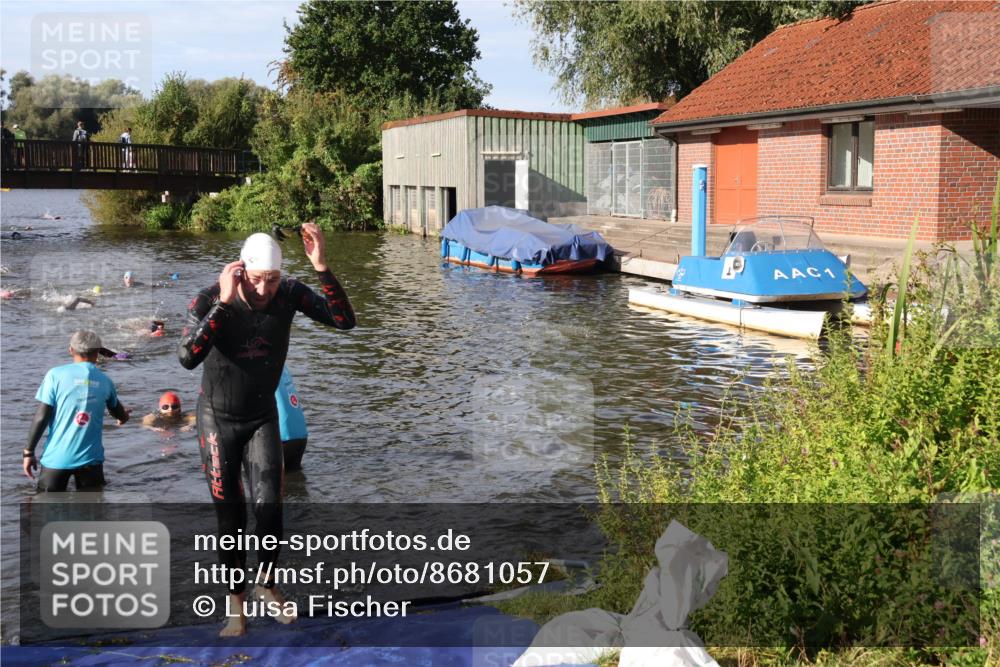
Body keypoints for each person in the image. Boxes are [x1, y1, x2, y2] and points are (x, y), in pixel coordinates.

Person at [177, 223, 355, 637]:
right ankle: (235, 606)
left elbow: (344, 321)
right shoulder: (210, 297)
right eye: (257, 280)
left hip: (261, 417)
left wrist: (323, 268)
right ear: (240, 272)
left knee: (270, 509)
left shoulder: (289, 293)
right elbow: (187, 356)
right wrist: (223, 303)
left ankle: (267, 583)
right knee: (232, 517)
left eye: (272, 280)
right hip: (217, 421)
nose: (264, 289)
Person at [24, 330, 131, 491]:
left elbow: (42, 416)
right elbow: (118, 411)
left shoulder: (55, 375)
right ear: (98, 353)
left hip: (57, 460)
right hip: (91, 461)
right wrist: (123, 418)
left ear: (71, 350)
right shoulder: (105, 381)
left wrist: (29, 452)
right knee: (91, 512)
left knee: (47, 511)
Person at [275, 367, 308, 471]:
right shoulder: (282, 366)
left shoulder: (256, 366)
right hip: (301, 436)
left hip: (281, 439)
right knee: (293, 478)